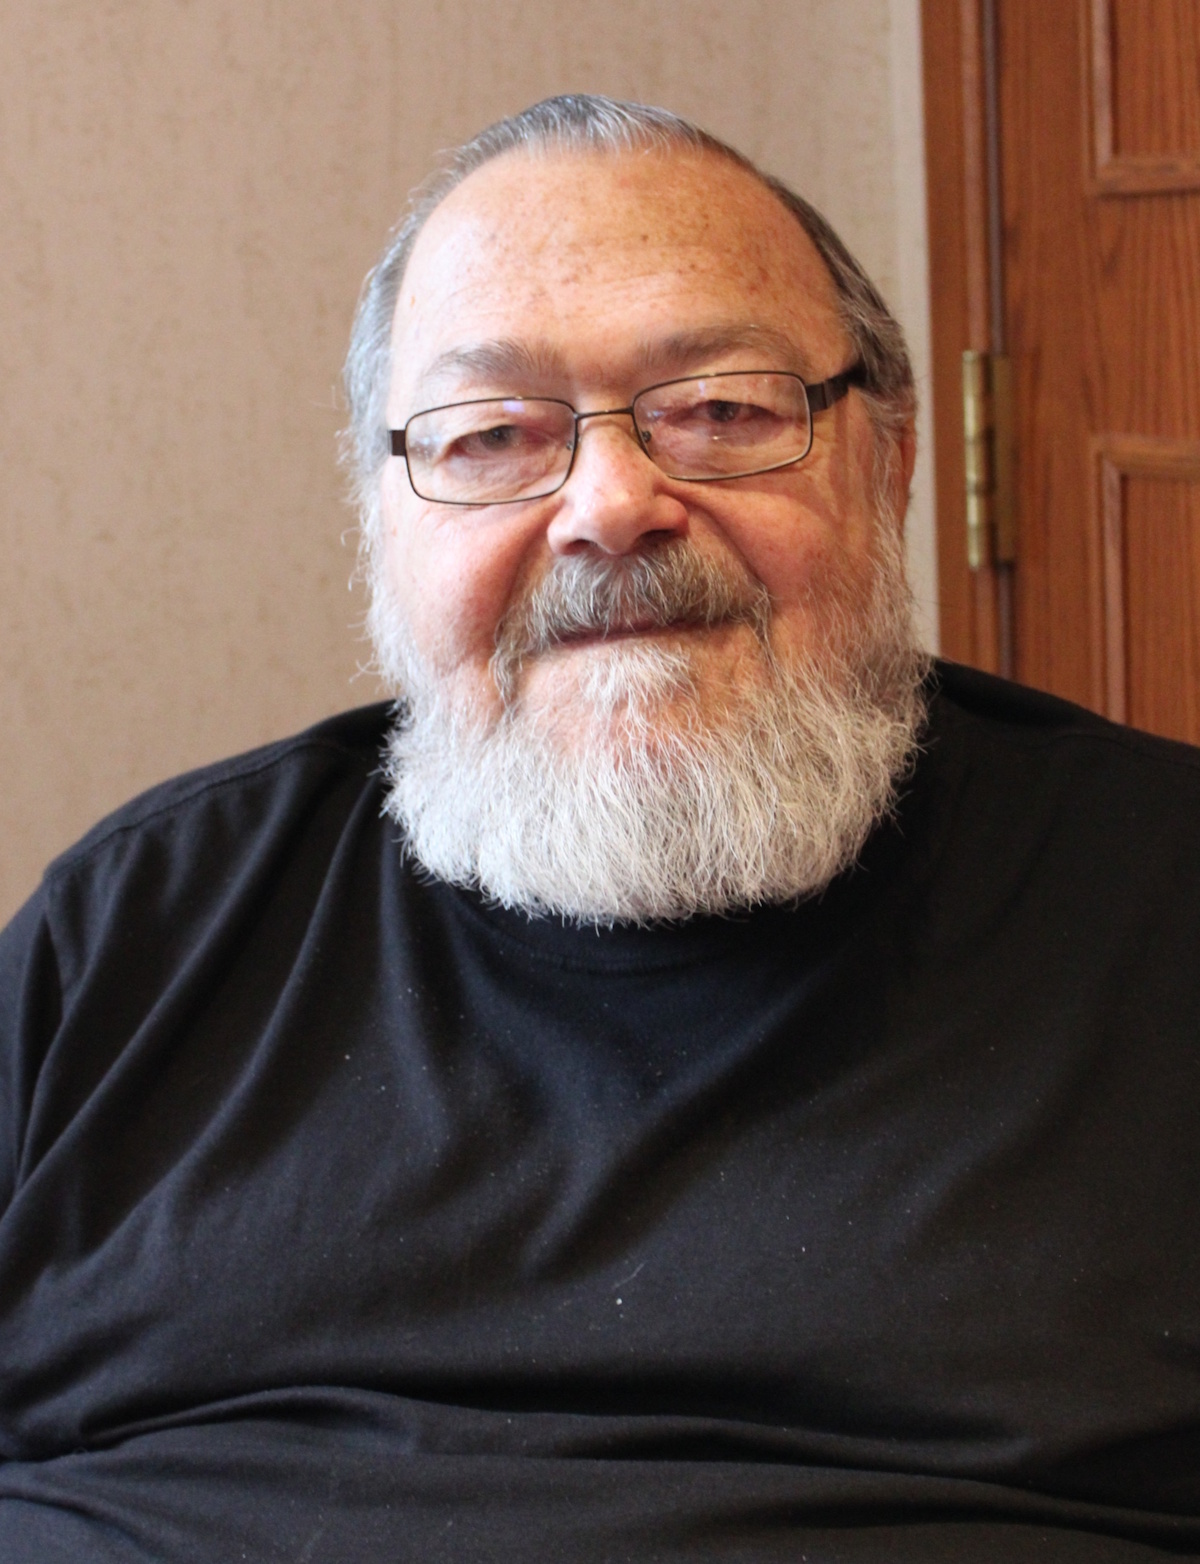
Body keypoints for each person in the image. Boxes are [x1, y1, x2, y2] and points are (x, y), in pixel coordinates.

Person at [0, 94, 1198, 1564]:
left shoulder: (1163, 904)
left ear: (887, 470)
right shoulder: (133, 931)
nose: (612, 505)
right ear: (386, 520)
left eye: (721, 412)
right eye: (495, 434)